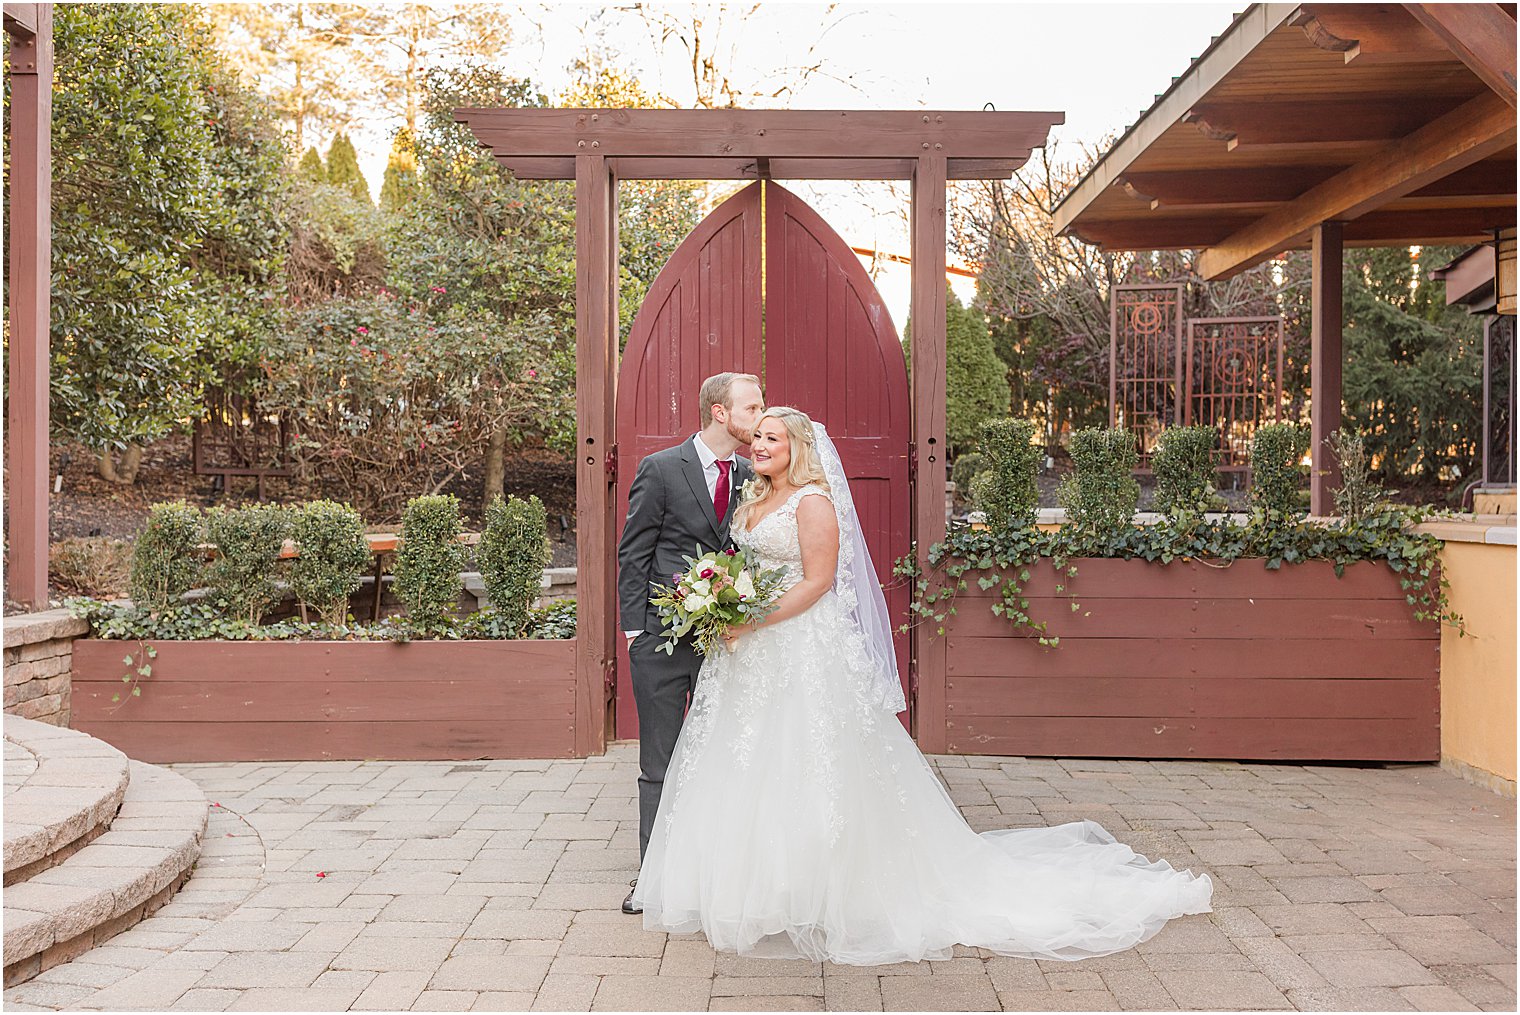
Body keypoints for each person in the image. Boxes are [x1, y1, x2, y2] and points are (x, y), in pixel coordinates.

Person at [631, 405, 1213, 963]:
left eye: (771, 438)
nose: (758, 446)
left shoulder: (813, 503)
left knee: (811, 760)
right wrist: (726, 601)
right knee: (743, 760)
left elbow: (817, 583)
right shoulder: (754, 497)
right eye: (755, 436)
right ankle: (750, 887)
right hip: (746, 654)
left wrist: (752, 618)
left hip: (799, 645)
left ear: (797, 449)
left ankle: (823, 889)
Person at [616, 371, 765, 916]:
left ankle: (713, 873)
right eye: (752, 407)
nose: (761, 415)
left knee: (720, 756)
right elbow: (634, 552)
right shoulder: (660, 470)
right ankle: (651, 881)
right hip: (662, 639)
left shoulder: (754, 473)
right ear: (720, 413)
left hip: (726, 640)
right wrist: (637, 631)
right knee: (659, 761)